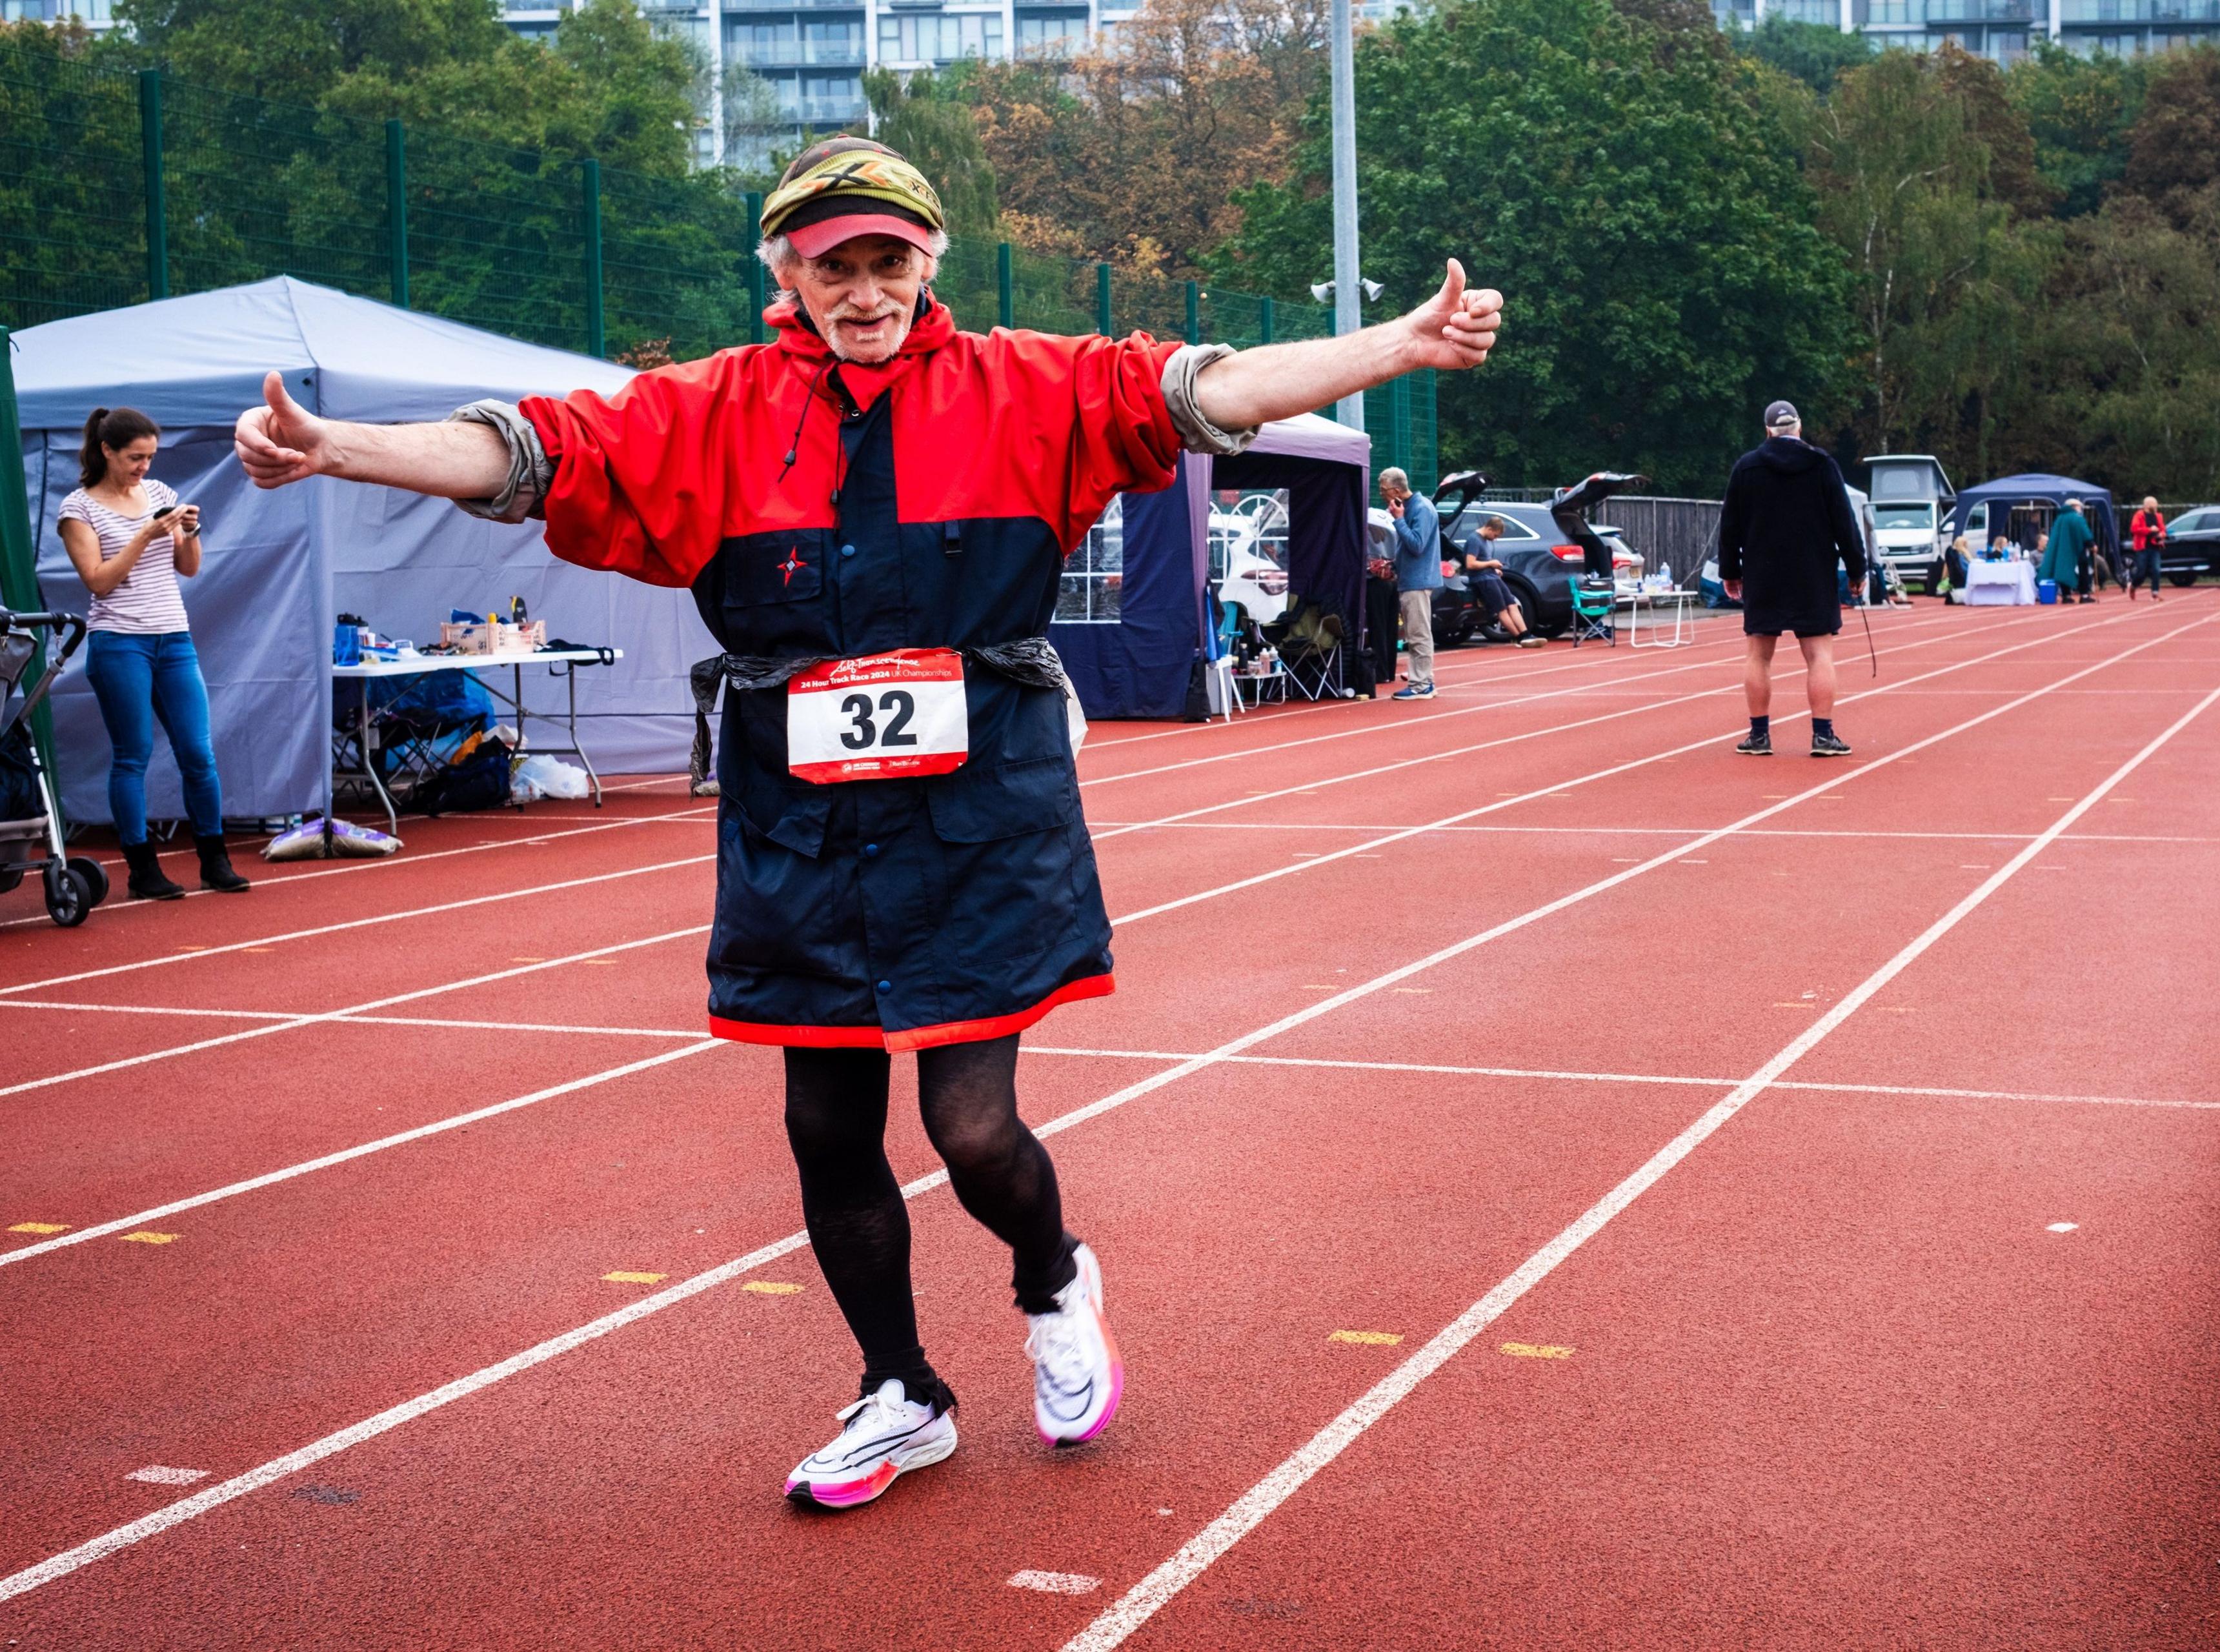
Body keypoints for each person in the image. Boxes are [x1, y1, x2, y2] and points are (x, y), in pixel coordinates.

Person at [233, 136, 1501, 1511]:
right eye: (835, 260)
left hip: (982, 809)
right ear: (790, 268)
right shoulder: (706, 409)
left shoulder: (1029, 386)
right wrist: (337, 447)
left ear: (928, 262)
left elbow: (1213, 388)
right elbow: (530, 450)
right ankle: (901, 1388)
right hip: (802, 823)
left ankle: (1050, 1271)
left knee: (970, 1128)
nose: (864, 286)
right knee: (827, 1129)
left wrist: (1398, 342)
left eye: (888, 257)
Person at [57, 406, 249, 901]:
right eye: (135, 458)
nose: (144, 467)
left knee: (198, 753)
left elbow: (188, 568)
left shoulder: (160, 493)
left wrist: (189, 529)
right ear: (106, 452)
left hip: (174, 638)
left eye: (149, 458)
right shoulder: (78, 509)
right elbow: (99, 582)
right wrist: (145, 534)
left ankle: (215, 860)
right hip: (119, 641)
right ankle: (142, 868)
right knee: (132, 756)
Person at [1717, 401, 1866, 758]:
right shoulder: (1822, 465)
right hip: (1813, 572)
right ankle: (1823, 735)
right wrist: (1857, 568)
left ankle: (1759, 735)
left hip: (1763, 571)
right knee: (1819, 655)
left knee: (1759, 654)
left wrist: (1730, 572)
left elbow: (1730, 525)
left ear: (1767, 431)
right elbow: (1844, 522)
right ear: (1799, 427)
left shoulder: (1747, 467)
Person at [1382, 467, 1442, 698]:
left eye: (1384, 490)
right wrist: (1394, 566)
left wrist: (1398, 520)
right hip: (1411, 578)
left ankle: (1422, 684)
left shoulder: (1421, 509)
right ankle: (1421, 680)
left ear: (1396, 490)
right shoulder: (1413, 507)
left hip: (1418, 581)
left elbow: (1417, 545)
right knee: (1415, 633)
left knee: (1419, 634)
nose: (1382, 495)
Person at [1458, 516, 1540, 647]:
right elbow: (1470, 564)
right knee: (1502, 610)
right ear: (1490, 529)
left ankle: (1526, 634)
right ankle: (1519, 637)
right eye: (1495, 535)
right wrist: (1491, 563)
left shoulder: (1484, 540)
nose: (1495, 539)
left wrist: (1493, 569)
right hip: (1483, 579)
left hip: (1491, 576)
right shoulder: (1474, 540)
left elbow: (1482, 561)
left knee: (1512, 605)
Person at [2039, 499, 2094, 604]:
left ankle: (2066, 595)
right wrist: (2091, 544)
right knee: (2083, 571)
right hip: (2077, 550)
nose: (2080, 509)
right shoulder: (2077, 518)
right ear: (2073, 506)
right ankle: (2084, 595)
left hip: (2062, 551)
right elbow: (2084, 533)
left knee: (2064, 571)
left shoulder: (2060, 518)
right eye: (2079, 507)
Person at [2127, 495, 2167, 601]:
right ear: (2147, 505)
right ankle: (2133, 586)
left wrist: (2161, 535)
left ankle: (2155, 593)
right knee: (2141, 572)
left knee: (2156, 570)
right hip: (2142, 547)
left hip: (2155, 547)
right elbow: (2135, 529)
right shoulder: (2139, 515)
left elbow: (2163, 529)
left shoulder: (2158, 516)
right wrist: (2150, 530)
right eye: (2152, 504)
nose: (2154, 506)